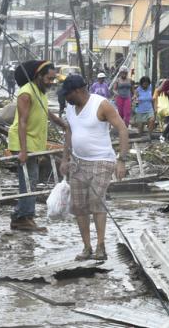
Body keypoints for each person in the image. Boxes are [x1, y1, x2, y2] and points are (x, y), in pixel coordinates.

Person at [60, 75, 129, 261]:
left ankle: (101, 246)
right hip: (78, 161)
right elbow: (69, 131)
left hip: (102, 160)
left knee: (95, 202)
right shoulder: (70, 108)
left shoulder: (101, 104)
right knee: (78, 206)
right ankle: (87, 247)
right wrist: (65, 158)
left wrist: (121, 160)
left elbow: (122, 129)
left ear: (78, 91)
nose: (65, 98)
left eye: (67, 94)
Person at [7, 60, 67, 232]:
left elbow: (47, 113)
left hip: (34, 143)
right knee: (28, 180)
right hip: (23, 143)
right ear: (38, 76)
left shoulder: (40, 93)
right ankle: (22, 217)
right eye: (49, 78)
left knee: (31, 180)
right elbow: (23, 122)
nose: (51, 82)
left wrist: (63, 124)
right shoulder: (26, 93)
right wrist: (23, 151)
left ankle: (24, 216)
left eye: (53, 79)